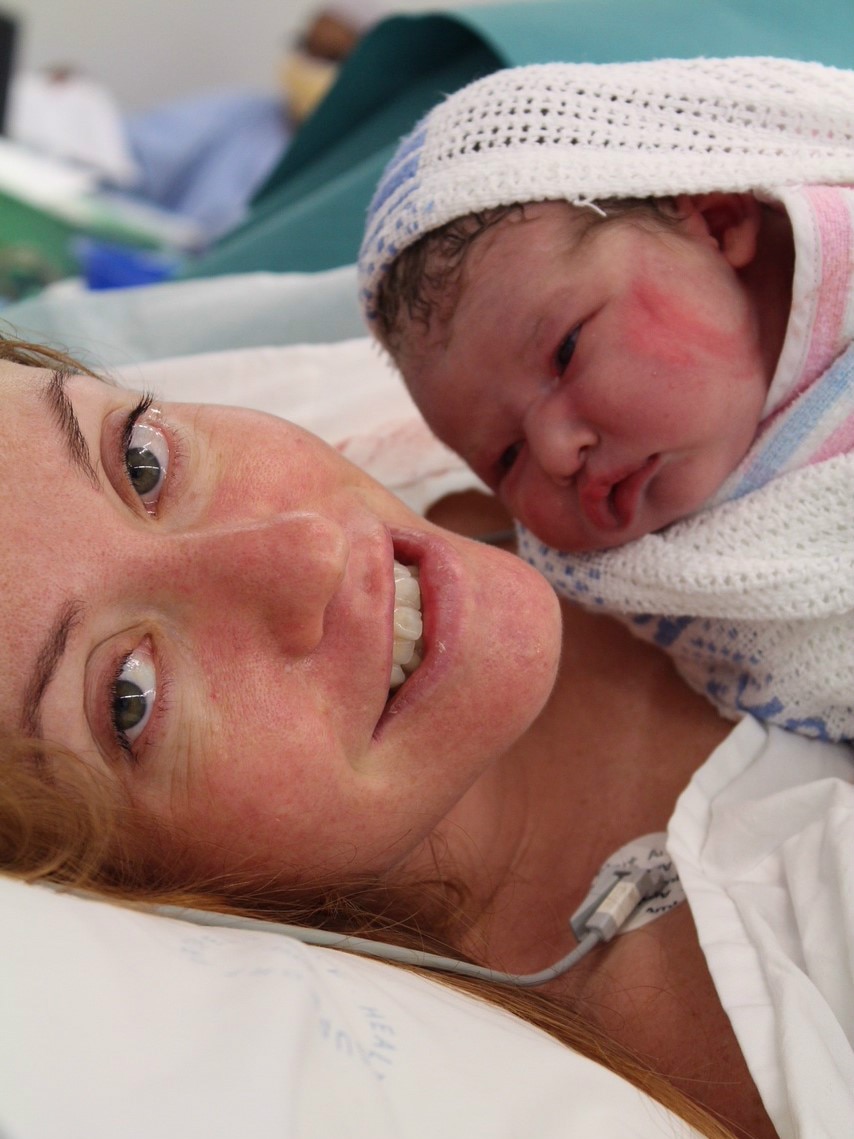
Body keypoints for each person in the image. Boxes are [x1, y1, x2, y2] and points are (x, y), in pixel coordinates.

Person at [2, 334, 852, 1138]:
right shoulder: (781, 1038)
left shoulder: (452, 387)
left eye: (140, 461)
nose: (306, 553)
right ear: (119, 896)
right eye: (129, 695)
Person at [358, 56, 854, 744]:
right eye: (506, 458)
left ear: (717, 220)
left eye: (565, 351)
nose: (559, 454)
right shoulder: (665, 589)